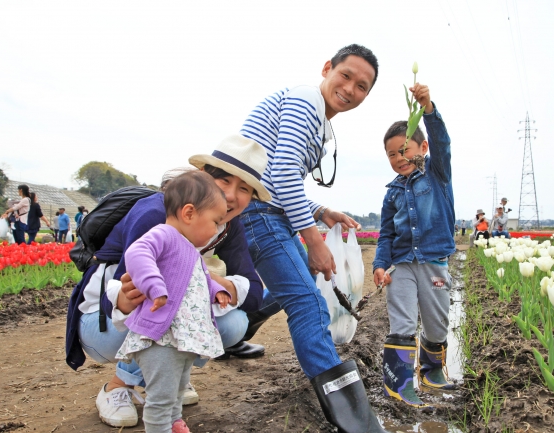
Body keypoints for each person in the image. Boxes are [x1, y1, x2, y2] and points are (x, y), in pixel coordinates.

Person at [65, 136, 271, 428]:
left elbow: (253, 296)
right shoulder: (156, 214)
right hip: (104, 321)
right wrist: (130, 296)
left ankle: (165, 381)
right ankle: (117, 387)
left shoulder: (225, 225)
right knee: (175, 315)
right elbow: (132, 289)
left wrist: (213, 283)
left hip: (158, 316)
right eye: (224, 181)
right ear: (203, 178)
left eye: (244, 189)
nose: (231, 196)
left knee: (233, 323)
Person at [239, 44, 389, 433]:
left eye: (362, 86)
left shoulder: (316, 118)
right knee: (310, 306)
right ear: (327, 68)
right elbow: (284, 171)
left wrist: (321, 213)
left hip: (263, 208)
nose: (350, 89)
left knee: (295, 287)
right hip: (259, 212)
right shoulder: (307, 100)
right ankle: (358, 424)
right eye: (345, 76)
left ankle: (231, 332)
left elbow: (279, 174)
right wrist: (314, 239)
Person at [114, 171, 231, 433]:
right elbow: (137, 252)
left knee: (179, 385)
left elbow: (197, 278)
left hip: (180, 340)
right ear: (189, 213)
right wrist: (154, 285)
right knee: (161, 397)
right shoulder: (164, 234)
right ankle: (160, 427)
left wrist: (215, 291)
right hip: (161, 340)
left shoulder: (191, 249)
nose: (218, 230)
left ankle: (174, 422)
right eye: (215, 222)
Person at [373, 83, 456, 408]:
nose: (399, 158)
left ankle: (431, 372)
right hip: (402, 264)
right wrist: (380, 264)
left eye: (405, 149)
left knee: (436, 322)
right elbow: (386, 234)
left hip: (435, 260)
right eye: (392, 154)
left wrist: (428, 108)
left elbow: (443, 143)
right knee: (403, 322)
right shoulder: (391, 193)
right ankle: (400, 384)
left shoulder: (437, 174)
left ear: (422, 146)